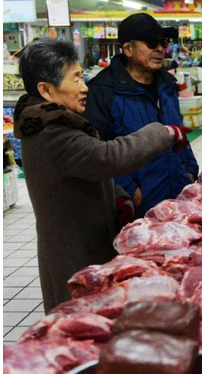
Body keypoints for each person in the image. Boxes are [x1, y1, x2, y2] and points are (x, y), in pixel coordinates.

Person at [14, 39, 191, 312]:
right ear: (46, 90)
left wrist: (118, 198)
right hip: (74, 253)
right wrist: (164, 132)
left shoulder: (57, 120)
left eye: (82, 76)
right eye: (75, 79)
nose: (85, 87)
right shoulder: (51, 133)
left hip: (89, 240)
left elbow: (87, 169)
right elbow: (107, 157)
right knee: (80, 327)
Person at [84, 13, 199, 217]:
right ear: (128, 49)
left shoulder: (167, 85)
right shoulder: (103, 91)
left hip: (178, 202)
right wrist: (130, 191)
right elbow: (95, 153)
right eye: (151, 43)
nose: (160, 49)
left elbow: (180, 135)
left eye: (162, 43)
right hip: (138, 212)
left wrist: (190, 170)